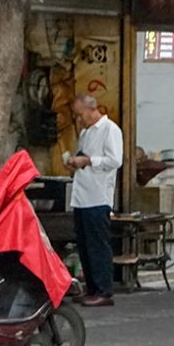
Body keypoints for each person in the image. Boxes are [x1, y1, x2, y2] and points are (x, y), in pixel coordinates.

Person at [67, 93, 123, 307]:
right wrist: (76, 162)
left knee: (98, 244)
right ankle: (91, 287)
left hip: (98, 196)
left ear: (92, 109)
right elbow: (83, 157)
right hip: (82, 195)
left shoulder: (110, 130)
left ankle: (104, 290)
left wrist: (89, 160)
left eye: (81, 114)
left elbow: (115, 160)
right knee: (84, 244)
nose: (79, 119)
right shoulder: (85, 133)